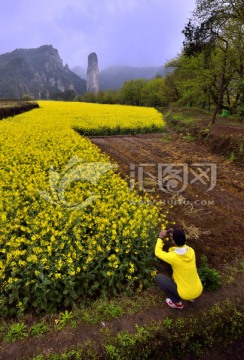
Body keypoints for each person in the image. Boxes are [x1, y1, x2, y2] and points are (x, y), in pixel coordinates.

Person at [155, 228, 203, 309]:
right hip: (198, 289)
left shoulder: (173, 257)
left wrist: (160, 238)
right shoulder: (191, 251)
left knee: (159, 278)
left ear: (173, 242)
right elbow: (181, 245)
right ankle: (192, 298)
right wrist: (175, 235)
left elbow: (158, 252)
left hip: (185, 293)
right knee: (187, 274)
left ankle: (177, 303)